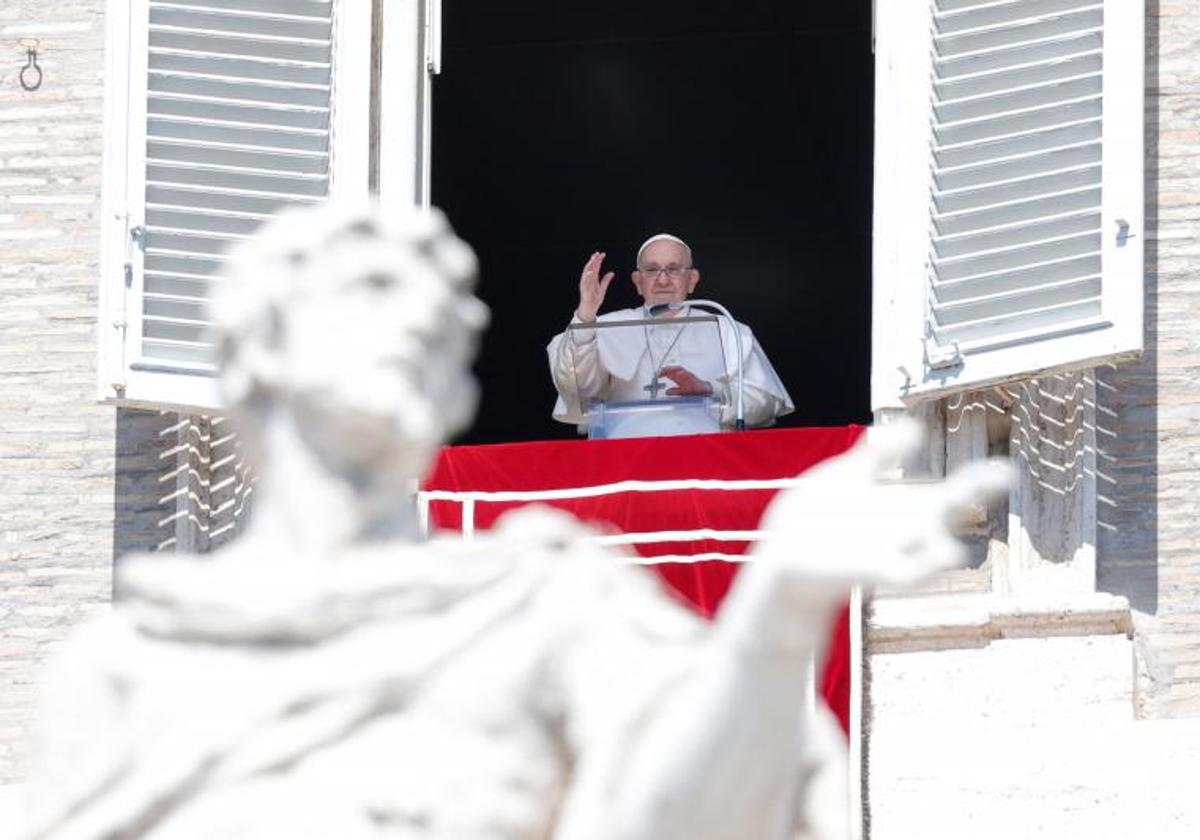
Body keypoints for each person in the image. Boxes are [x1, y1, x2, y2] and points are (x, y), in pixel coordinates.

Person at [18, 203, 1007, 840]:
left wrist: (778, 613)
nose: (661, 283)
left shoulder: (548, 597)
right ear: (256, 363)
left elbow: (692, 808)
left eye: (434, 344)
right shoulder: (125, 661)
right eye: (647, 271)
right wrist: (585, 318)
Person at [548, 234, 794, 430]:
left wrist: (710, 392)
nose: (663, 280)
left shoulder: (727, 328)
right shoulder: (602, 327)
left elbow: (765, 403)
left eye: (674, 269)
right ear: (637, 281)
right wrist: (586, 315)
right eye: (652, 270)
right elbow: (578, 392)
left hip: (708, 455)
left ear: (692, 279)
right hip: (625, 457)